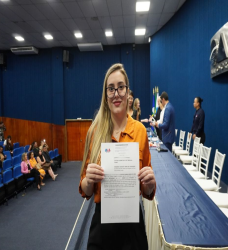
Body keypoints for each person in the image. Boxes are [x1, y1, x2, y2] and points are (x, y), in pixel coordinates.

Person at [79, 63, 156, 250]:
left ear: (128, 92)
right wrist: (88, 180)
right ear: (105, 95)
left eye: (121, 87)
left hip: (132, 224)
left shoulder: (140, 131)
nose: (116, 93)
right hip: (102, 224)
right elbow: (86, 190)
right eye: (111, 88)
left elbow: (147, 191)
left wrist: (150, 183)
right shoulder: (94, 132)